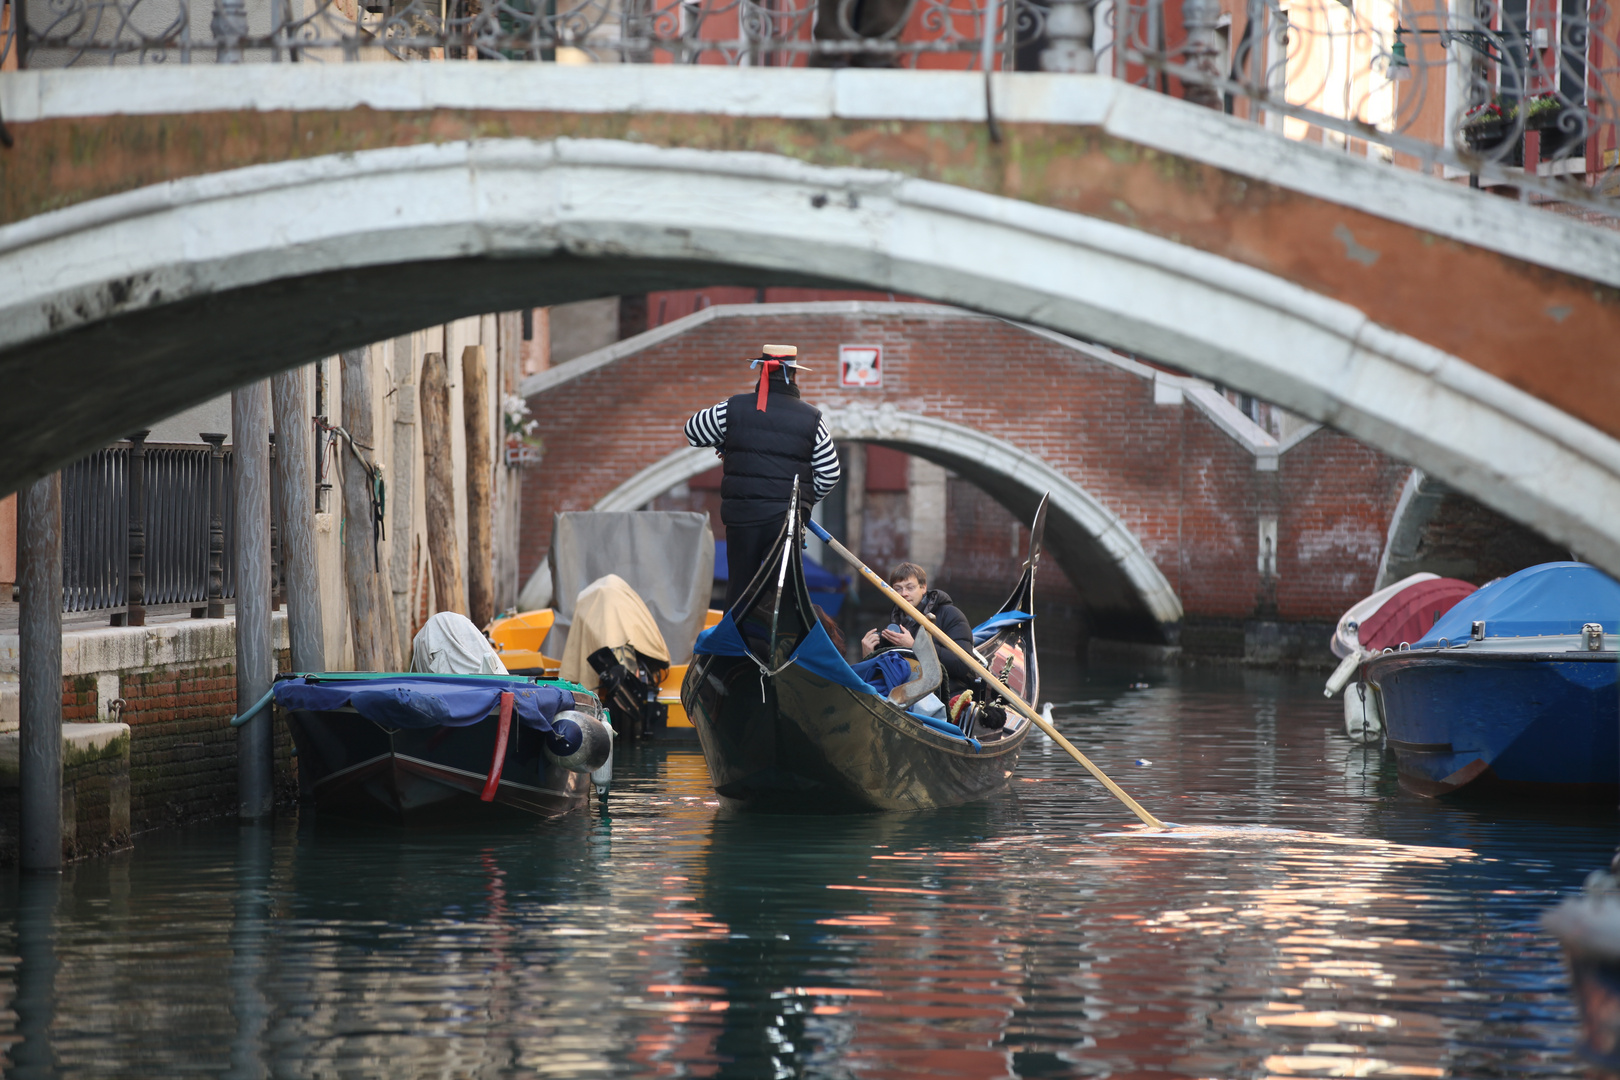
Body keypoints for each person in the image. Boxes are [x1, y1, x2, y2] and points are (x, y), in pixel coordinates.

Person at [685, 344, 841, 611]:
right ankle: (779, 642)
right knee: (783, 589)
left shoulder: (733, 408)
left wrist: (727, 440)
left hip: (742, 516)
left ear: (760, 371)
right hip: (786, 519)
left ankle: (735, 643)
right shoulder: (812, 417)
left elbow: (694, 431)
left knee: (740, 587)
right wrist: (803, 504)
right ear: (794, 375)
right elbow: (829, 472)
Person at [860, 561, 978, 700]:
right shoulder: (896, 622)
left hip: (944, 694)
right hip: (908, 696)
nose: (903, 594)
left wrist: (916, 647)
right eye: (897, 589)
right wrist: (869, 656)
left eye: (910, 588)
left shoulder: (950, 615)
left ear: (923, 588)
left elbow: (962, 666)